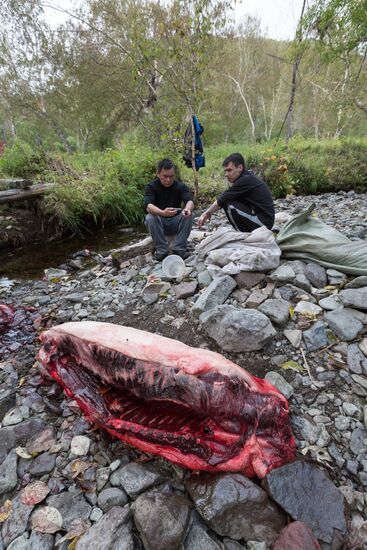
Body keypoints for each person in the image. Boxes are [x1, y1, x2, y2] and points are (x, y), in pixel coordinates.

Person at [197, 153, 275, 232]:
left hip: (263, 224)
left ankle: (242, 236)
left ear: (240, 167)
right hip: (263, 221)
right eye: (225, 171)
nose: (226, 174)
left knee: (228, 205)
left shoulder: (244, 180)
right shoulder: (246, 177)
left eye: (229, 170)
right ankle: (245, 234)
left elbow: (221, 200)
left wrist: (206, 213)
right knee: (232, 200)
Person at [144, 158, 194, 261]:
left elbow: (189, 201)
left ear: (174, 175)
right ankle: (162, 251)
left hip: (176, 222)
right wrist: (162, 212)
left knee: (189, 215)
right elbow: (148, 206)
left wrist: (187, 209)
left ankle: (179, 249)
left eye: (171, 177)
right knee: (150, 217)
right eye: (165, 176)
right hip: (159, 223)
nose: (168, 180)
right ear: (158, 174)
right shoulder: (151, 187)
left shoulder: (180, 186)